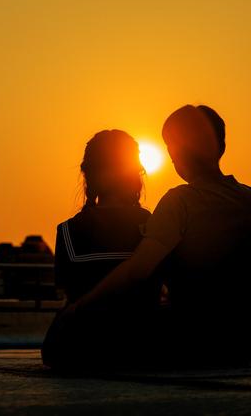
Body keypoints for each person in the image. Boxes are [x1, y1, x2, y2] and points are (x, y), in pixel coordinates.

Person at [63, 105, 251, 368]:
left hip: (200, 340)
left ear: (175, 152)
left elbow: (137, 271)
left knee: (65, 344)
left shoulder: (180, 201)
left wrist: (80, 308)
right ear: (221, 146)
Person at [41, 129, 162, 370]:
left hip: (82, 347)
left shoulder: (67, 231)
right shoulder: (154, 227)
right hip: (143, 345)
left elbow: (68, 293)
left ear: (88, 174)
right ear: (135, 175)